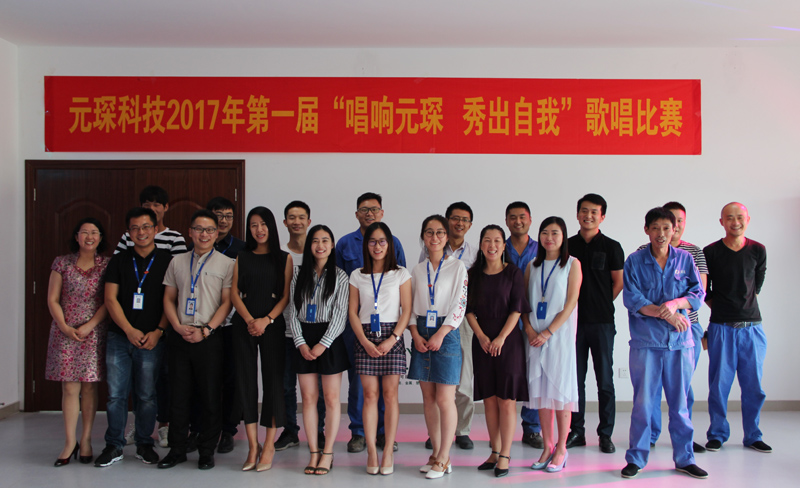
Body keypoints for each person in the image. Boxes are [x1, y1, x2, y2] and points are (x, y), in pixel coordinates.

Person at [621, 207, 707, 479]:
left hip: (680, 344)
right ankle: (636, 458)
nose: (661, 233)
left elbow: (697, 294)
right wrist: (667, 314)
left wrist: (675, 303)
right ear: (646, 230)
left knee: (680, 405)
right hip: (646, 344)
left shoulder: (685, 259)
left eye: (666, 228)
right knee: (643, 404)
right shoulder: (634, 261)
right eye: (655, 228)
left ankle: (685, 458)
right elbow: (632, 300)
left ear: (674, 230)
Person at [158, 210, 234, 470]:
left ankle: (206, 451)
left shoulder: (227, 263)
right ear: (190, 232)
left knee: (210, 396)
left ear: (217, 233)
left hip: (209, 337)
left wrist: (207, 330)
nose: (204, 234)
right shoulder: (176, 261)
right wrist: (177, 326)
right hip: (179, 336)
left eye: (210, 230)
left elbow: (227, 302)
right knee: (178, 395)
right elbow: (168, 298)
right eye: (199, 229)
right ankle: (177, 450)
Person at [97, 207, 171, 467]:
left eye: (146, 226)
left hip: (152, 339)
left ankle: (144, 443)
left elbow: (170, 301)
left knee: (147, 395)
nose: (141, 232)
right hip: (120, 337)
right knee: (116, 395)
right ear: (128, 232)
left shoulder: (167, 260)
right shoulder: (118, 260)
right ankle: (114, 445)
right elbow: (110, 299)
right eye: (135, 228)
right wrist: (128, 330)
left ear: (155, 229)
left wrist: (158, 331)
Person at [115, 185, 186, 449]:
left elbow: (179, 277)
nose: (152, 208)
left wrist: (162, 327)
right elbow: (120, 270)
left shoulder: (175, 239)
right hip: (132, 321)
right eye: (147, 204)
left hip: (164, 320)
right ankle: (140, 425)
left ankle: (164, 424)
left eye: (157, 204)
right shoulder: (128, 238)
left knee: (164, 376)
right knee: (138, 380)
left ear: (165, 208)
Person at [335, 192, 406, 453]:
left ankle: (384, 433)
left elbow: (399, 284)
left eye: (374, 209)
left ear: (382, 213)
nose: (370, 213)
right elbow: (339, 284)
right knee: (359, 383)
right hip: (356, 326)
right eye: (364, 209)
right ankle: (359, 433)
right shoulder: (344, 243)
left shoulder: (394, 242)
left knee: (388, 387)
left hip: (389, 327)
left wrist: (395, 335)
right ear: (356, 214)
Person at [229, 206, 293, 472]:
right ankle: (252, 445)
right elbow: (234, 293)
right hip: (244, 325)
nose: (259, 229)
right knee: (246, 382)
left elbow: (286, 296)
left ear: (272, 226)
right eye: (253, 224)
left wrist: (266, 320)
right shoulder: (241, 256)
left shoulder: (284, 258)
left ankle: (268, 445)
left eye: (263, 224)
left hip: (272, 326)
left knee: (273, 383)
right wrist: (249, 320)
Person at [703, 202, 770, 453]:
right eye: (729, 218)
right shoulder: (711, 252)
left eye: (740, 217)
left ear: (747, 219)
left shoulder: (758, 250)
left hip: (752, 328)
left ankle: (753, 435)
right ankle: (717, 434)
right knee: (719, 385)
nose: (735, 222)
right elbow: (704, 289)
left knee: (754, 386)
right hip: (721, 328)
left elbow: (757, 284)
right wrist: (722, 308)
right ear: (722, 222)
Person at [466, 225, 531, 478]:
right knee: (490, 400)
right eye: (487, 240)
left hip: (508, 342)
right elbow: (468, 310)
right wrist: (482, 337)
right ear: (481, 245)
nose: (491, 245)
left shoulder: (513, 273)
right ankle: (494, 450)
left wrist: (501, 337)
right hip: (482, 342)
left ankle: (505, 453)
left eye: (497, 241)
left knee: (506, 400)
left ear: (504, 246)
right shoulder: (473, 274)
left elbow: (517, 308)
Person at [348, 222, 411, 475]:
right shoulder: (357, 275)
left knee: (390, 395)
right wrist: (364, 341)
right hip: (364, 337)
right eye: (372, 241)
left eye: (382, 241)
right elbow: (352, 312)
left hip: (392, 336)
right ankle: (372, 452)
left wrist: (393, 338)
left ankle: (387, 453)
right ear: (366, 245)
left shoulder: (401, 273)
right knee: (369, 395)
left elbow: (406, 310)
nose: (377, 246)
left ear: (390, 244)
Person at [46, 218, 110, 467]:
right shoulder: (62, 263)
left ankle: (86, 440)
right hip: (65, 331)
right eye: (84, 232)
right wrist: (64, 326)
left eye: (94, 232)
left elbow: (108, 301)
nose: (89, 237)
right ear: (76, 237)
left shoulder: (107, 264)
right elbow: (53, 299)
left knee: (90, 388)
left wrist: (89, 325)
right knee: (70, 388)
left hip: (93, 331)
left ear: (100, 238)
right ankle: (69, 441)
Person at [288, 224, 350, 475]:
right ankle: (314, 451)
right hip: (303, 338)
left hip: (329, 340)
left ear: (332, 245)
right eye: (315, 240)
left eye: (325, 240)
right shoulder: (298, 274)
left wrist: (323, 344)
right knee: (309, 399)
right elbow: (291, 311)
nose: (320, 245)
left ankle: (328, 453)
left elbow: (341, 315)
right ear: (309, 245)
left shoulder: (341, 276)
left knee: (332, 399)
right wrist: (300, 342)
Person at [409, 215, 468, 479]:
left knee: (445, 398)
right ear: (423, 236)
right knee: (429, 398)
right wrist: (414, 333)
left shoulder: (457, 267)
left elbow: (460, 304)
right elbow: (410, 305)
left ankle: (444, 457)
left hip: (447, 332)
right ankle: (435, 454)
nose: (435, 237)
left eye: (440, 232)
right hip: (421, 332)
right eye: (430, 232)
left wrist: (442, 333)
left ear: (447, 237)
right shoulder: (417, 270)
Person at [522, 217, 582, 473]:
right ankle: (547, 447)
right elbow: (524, 302)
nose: (549, 238)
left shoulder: (572, 264)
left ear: (563, 236)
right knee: (541, 394)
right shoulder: (532, 265)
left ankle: (561, 449)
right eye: (545, 233)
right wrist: (529, 329)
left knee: (560, 393)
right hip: (534, 337)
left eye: (555, 233)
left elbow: (571, 303)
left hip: (559, 337)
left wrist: (548, 332)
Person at [566, 193, 624, 454]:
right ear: (577, 214)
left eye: (594, 212)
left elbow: (618, 282)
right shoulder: (567, 246)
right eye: (584, 211)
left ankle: (605, 434)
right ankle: (576, 431)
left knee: (605, 381)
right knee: (575, 379)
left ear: (602, 216)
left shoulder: (612, 246)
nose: (588, 216)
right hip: (572, 323)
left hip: (602, 323)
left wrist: (600, 302)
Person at [417, 202, 477, 451]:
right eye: (454, 218)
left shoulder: (472, 255)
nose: (459, 223)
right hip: (430, 323)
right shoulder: (425, 257)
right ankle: (438, 435)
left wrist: (445, 329)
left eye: (464, 219)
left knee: (461, 380)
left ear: (469, 225)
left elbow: (465, 295)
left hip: (461, 320)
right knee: (434, 385)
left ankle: (461, 431)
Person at [276, 200, 325, 452]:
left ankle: (319, 431)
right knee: (286, 385)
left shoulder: (318, 251)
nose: (297, 222)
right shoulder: (279, 254)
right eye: (292, 218)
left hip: (313, 332)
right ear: (285, 222)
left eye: (301, 217)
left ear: (309, 221)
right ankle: (290, 431)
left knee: (318, 388)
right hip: (284, 330)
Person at [206, 197, 245, 455]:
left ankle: (228, 430)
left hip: (232, 325)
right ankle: (203, 428)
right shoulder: (198, 245)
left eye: (228, 216)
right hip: (203, 324)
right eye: (218, 215)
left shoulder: (241, 248)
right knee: (206, 378)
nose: (223, 221)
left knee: (232, 378)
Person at [504, 202, 542, 449]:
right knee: (505, 374)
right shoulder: (499, 247)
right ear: (506, 221)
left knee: (533, 375)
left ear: (530, 219)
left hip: (534, 320)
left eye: (522, 217)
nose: (518, 221)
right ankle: (501, 430)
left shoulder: (542, 249)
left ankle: (532, 428)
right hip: (504, 321)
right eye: (513, 217)